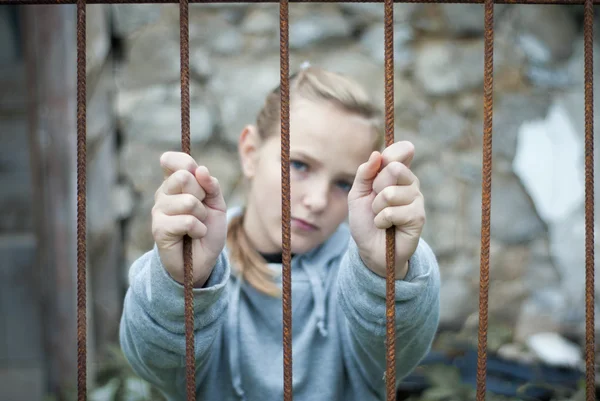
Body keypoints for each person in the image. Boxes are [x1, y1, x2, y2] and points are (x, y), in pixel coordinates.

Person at [119, 64, 441, 401]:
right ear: (250, 153)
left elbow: (397, 355)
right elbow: (154, 364)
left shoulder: (361, 273)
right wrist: (180, 282)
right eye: (299, 165)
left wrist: (387, 273)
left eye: (343, 183)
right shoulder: (202, 262)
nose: (316, 201)